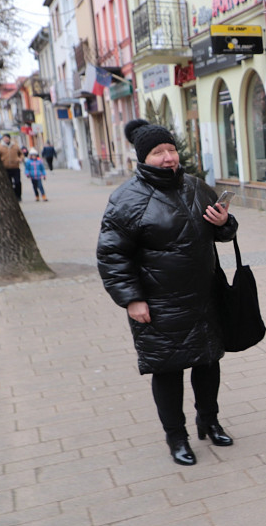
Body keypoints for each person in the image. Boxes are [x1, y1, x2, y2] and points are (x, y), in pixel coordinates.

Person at [97, 119, 239, 466]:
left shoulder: (196, 187)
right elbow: (112, 254)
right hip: (159, 305)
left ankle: (209, 420)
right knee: (168, 372)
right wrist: (132, 299)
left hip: (204, 297)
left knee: (208, 362)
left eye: (171, 150)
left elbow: (222, 232)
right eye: (158, 152)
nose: (168, 157)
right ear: (144, 158)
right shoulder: (126, 199)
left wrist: (225, 224)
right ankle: (176, 437)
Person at [0, 134, 23, 201]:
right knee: (9, 183)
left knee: (17, 182)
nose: (6, 139)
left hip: (15, 167)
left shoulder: (15, 146)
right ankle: (12, 196)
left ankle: (18, 196)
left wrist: (20, 159)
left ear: (9, 138)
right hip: (5, 168)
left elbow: (21, 154)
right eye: (4, 138)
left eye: (7, 138)